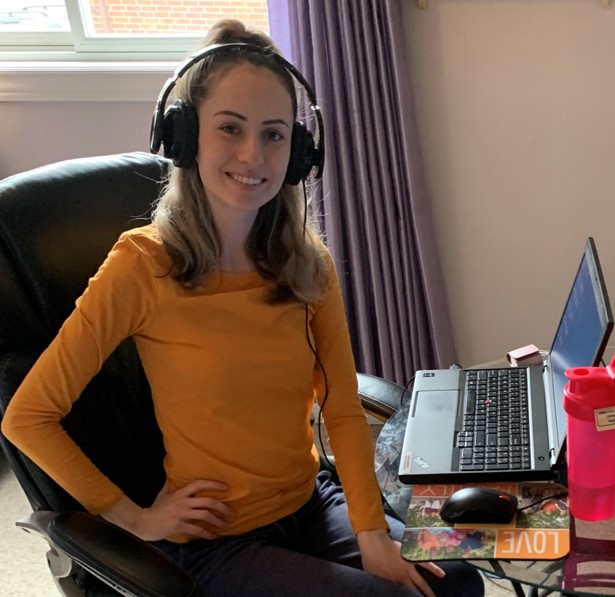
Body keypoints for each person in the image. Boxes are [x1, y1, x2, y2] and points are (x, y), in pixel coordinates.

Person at [1, 19, 484, 597]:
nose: (253, 153)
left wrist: (372, 531)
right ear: (184, 137)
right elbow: (26, 418)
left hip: (308, 504)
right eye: (229, 128)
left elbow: (341, 407)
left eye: (275, 133)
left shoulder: (307, 264)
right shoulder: (141, 265)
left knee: (456, 581)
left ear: (301, 153)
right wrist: (133, 519)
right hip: (216, 541)